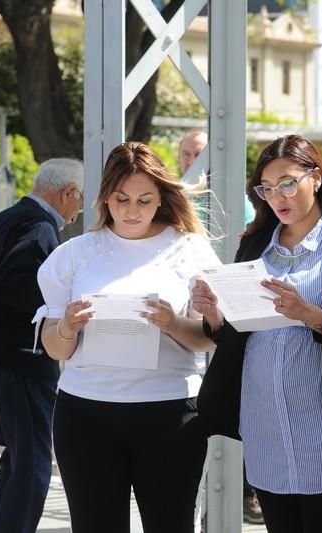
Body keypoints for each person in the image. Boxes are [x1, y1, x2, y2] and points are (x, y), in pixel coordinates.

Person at [193, 134, 322, 533]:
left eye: (287, 183)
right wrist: (214, 316)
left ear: (315, 178)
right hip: (264, 430)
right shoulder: (253, 247)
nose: (277, 196)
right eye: (266, 188)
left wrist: (309, 314)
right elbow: (233, 337)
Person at [36, 142, 221, 533]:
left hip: (170, 412)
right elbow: (55, 347)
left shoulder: (190, 250)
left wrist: (172, 323)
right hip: (86, 414)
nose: (131, 211)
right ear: (105, 197)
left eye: (143, 199)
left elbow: (207, 339)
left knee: (171, 525)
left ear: (161, 199)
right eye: (121, 199)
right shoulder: (73, 254)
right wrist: (68, 325)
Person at [0, 158, 84, 533]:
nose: (80, 210)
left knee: (19, 460)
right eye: (81, 200)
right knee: (34, 465)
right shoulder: (40, 227)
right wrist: (51, 319)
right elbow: (12, 284)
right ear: (68, 193)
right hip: (19, 362)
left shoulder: (2, 221)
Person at [180, 128, 262, 524]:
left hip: (232, 320)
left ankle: (247, 491)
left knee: (238, 406)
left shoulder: (242, 207)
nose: (190, 162)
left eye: (197, 154)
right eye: (185, 154)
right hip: (201, 326)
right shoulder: (169, 201)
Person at [179, 128, 255, 229]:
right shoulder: (170, 196)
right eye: (186, 154)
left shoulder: (232, 197)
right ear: (178, 157)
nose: (192, 162)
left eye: (199, 155)